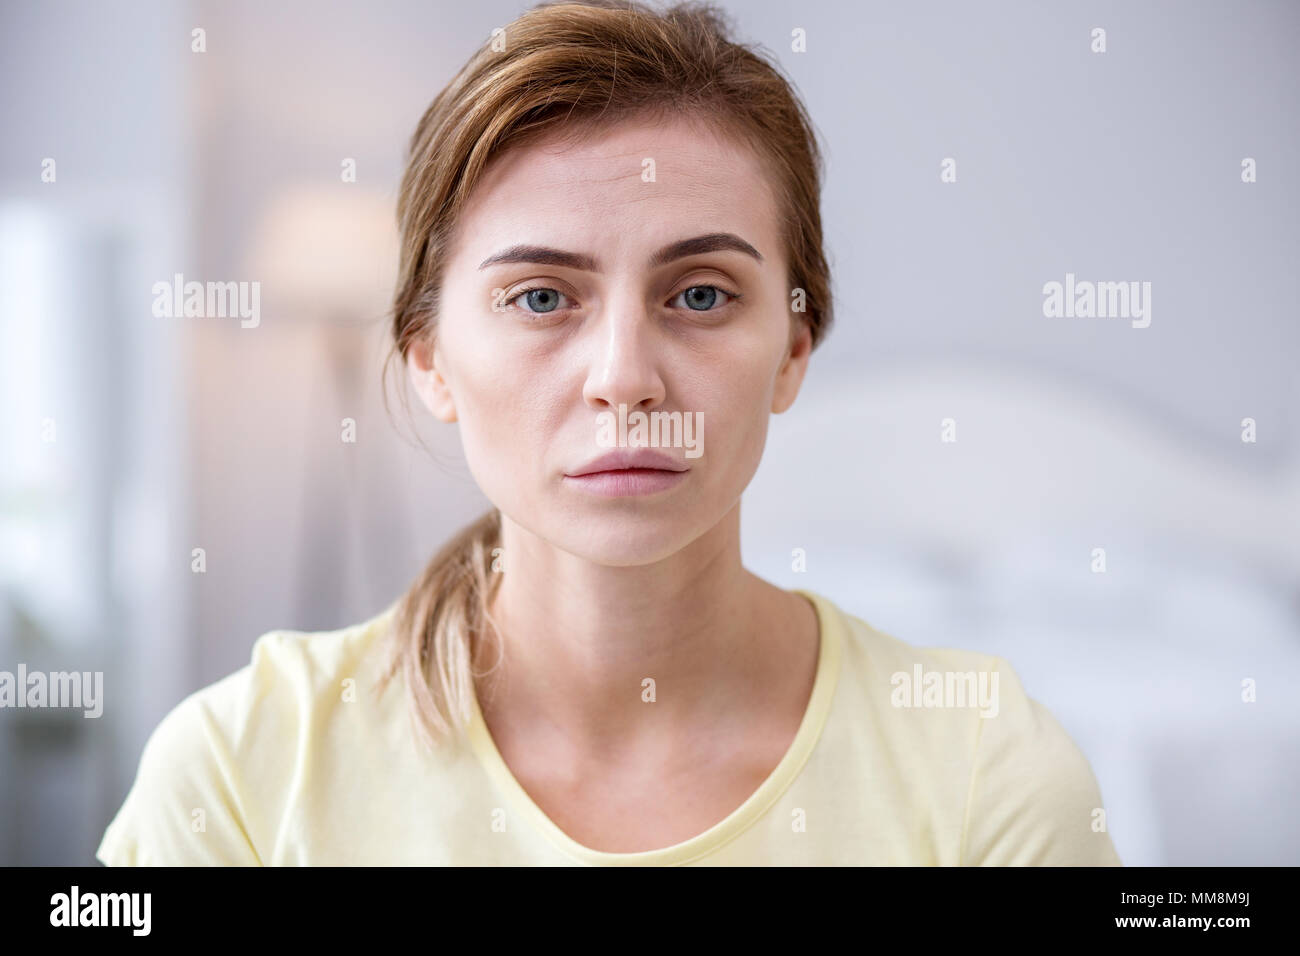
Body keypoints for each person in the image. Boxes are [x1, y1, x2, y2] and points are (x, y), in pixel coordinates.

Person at [97, 0, 1121, 866]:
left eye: (703, 292)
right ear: (428, 356)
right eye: (541, 295)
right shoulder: (237, 773)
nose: (625, 376)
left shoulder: (988, 770)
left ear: (794, 349)